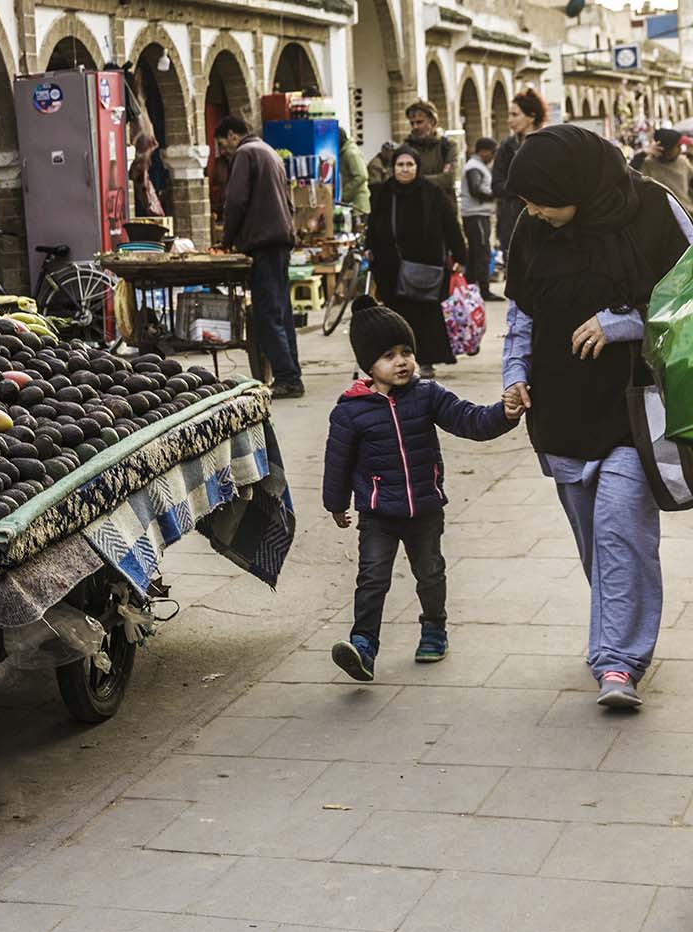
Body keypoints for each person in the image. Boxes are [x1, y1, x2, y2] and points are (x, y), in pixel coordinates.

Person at [503, 124, 693, 710]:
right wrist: (514, 372)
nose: (532, 212)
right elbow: (521, 310)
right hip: (561, 410)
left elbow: (688, 299)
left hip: (637, 408)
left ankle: (618, 663)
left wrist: (623, 322)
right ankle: (619, 628)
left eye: (540, 199)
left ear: (577, 185)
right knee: (596, 538)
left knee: (619, 527)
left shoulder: (657, 212)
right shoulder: (532, 226)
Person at [324, 295, 521, 680]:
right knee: (372, 578)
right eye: (388, 355)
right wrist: (336, 503)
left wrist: (504, 414)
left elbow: (469, 420)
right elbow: (338, 461)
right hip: (378, 514)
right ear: (368, 365)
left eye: (406, 351)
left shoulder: (427, 394)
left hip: (425, 510)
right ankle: (363, 645)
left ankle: (434, 629)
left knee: (430, 572)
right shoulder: (350, 410)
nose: (401, 362)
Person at [213, 116, 303, 398]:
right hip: (279, 241)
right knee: (281, 313)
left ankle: (288, 378)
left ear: (231, 135)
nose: (223, 151)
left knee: (268, 315)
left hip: (264, 242)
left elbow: (236, 201)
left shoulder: (245, 153)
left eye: (222, 144)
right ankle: (291, 374)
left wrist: (226, 240)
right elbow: (288, 202)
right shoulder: (269, 151)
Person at [367, 146, 466, 376]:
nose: (405, 169)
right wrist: (369, 248)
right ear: (393, 168)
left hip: (425, 266)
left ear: (417, 167)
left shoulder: (432, 192)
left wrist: (459, 255)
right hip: (390, 265)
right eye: (400, 165)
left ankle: (426, 359)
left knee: (424, 314)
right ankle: (397, 361)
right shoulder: (384, 193)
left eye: (409, 165)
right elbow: (373, 225)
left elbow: (450, 225)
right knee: (396, 315)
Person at [492, 87, 545, 266]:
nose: (509, 120)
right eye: (509, 115)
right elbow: (497, 185)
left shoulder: (548, 143)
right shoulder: (506, 147)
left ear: (531, 116)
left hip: (545, 220)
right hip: (512, 220)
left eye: (515, 115)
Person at [460, 137, 500, 300]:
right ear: (483, 151)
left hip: (478, 214)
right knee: (481, 251)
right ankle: (483, 290)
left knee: (475, 252)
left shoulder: (478, 166)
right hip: (475, 214)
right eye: (492, 152)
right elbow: (476, 190)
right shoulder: (474, 167)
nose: (493, 156)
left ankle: (470, 288)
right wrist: (495, 195)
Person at [401, 100, 459, 205]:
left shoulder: (448, 146)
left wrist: (415, 180)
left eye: (419, 122)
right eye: (412, 123)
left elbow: (448, 179)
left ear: (432, 122)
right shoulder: (406, 148)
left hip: (443, 209)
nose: (415, 127)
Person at [631, 128, 693, 208]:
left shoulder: (682, 162)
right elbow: (629, 176)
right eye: (677, 146)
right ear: (665, 149)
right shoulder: (648, 164)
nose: (681, 149)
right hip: (663, 214)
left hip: (687, 212)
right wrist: (643, 154)